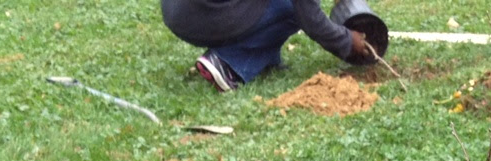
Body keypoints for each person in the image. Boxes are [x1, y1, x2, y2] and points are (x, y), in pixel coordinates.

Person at [161, 0, 375, 91]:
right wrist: (347, 41)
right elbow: (310, 18)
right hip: (204, 14)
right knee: (291, 9)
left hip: (176, 11)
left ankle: (263, 59)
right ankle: (228, 63)